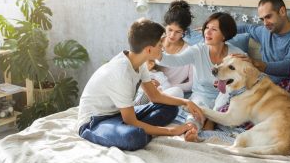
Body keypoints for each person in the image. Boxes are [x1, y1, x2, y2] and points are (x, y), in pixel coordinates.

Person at [77, 18, 204, 151]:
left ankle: (143, 130)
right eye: (160, 46)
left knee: (171, 109)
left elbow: (155, 96)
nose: (163, 49)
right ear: (149, 50)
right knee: (135, 136)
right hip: (95, 121)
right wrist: (171, 131)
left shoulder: (139, 62)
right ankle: (138, 132)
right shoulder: (120, 72)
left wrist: (185, 102)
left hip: (118, 114)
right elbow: (130, 121)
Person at [234, 0, 290, 163]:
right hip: (272, 93)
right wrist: (215, 29)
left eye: (268, 16)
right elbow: (245, 28)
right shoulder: (265, 31)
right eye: (262, 19)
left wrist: (259, 64)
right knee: (230, 108)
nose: (265, 22)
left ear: (282, 11)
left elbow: (288, 65)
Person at [158, 12, 245, 142]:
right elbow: (174, 60)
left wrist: (252, 62)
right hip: (202, 95)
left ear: (224, 35)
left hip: (226, 99)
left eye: (214, 29)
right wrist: (155, 54)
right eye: (207, 28)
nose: (207, 33)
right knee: (195, 111)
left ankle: (212, 120)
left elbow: (248, 78)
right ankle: (192, 130)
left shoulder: (236, 54)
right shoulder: (197, 50)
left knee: (227, 97)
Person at [158, 0, 194, 94]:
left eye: (178, 32)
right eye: (170, 30)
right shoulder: (154, 43)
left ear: (184, 32)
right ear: (165, 26)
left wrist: (167, 87)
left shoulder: (190, 51)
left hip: (171, 92)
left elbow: (192, 84)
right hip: (149, 88)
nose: (172, 35)